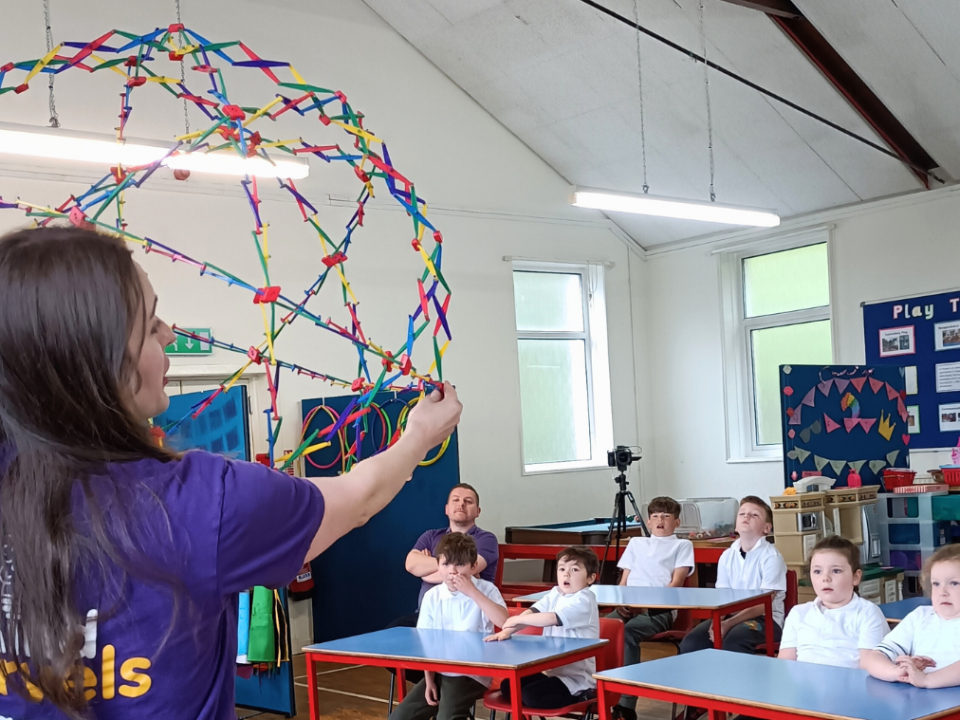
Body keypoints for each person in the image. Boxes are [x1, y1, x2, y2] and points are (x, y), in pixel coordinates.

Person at [0, 226, 463, 720]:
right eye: (151, 322)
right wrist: (418, 436)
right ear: (99, 357)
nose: (169, 334)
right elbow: (361, 495)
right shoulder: (202, 502)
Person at [388, 533, 508, 720]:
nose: (452, 571)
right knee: (401, 717)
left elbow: (503, 621)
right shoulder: (432, 596)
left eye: (460, 564)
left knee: (447, 716)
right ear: (438, 565)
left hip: (473, 670)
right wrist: (428, 680)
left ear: (473, 566)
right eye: (445, 564)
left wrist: (472, 592)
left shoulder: (486, 589)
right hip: (439, 670)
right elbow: (426, 643)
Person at [609, 497, 693, 720]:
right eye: (655, 516)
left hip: (659, 611)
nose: (660, 521)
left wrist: (642, 607)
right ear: (648, 521)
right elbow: (624, 581)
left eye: (666, 516)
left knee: (626, 633)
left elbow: (675, 585)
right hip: (629, 606)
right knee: (600, 629)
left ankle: (626, 706)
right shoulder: (636, 543)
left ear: (676, 522)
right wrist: (622, 602)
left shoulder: (682, 545)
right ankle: (593, 693)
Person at [485, 546, 599, 709]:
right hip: (552, 672)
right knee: (509, 686)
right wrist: (507, 631)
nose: (566, 574)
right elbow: (534, 611)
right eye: (562, 569)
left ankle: (582, 697)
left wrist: (515, 619)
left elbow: (552, 618)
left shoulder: (585, 600)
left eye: (574, 569)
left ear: (590, 578)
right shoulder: (556, 593)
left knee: (531, 696)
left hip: (577, 680)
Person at [679, 496, 787, 654]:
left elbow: (763, 604)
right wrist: (717, 623)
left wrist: (728, 624)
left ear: (767, 528)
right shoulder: (727, 555)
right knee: (691, 642)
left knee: (734, 641)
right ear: (736, 524)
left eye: (755, 514)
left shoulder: (771, 557)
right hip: (729, 615)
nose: (747, 516)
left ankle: (738, 679)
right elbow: (723, 597)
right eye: (742, 513)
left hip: (765, 619)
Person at [779, 535, 887, 668]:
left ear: (855, 577)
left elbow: (868, 667)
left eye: (836, 571)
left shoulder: (867, 613)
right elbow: (785, 665)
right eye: (817, 571)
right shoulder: (798, 613)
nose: (825, 578)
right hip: (804, 687)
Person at [398, 484, 499, 624]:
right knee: (385, 638)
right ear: (446, 509)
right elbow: (410, 564)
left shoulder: (486, 539)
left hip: (470, 616)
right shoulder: (431, 536)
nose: (461, 504)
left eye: (468, 501)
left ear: (478, 511)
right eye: (456, 500)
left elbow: (465, 574)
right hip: (426, 614)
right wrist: (453, 566)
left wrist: (424, 571)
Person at [863, 544, 960, 688]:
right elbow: (874, 658)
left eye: (954, 583)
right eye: (936, 584)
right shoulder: (919, 617)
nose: (942, 592)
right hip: (922, 705)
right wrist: (899, 672)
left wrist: (927, 679)